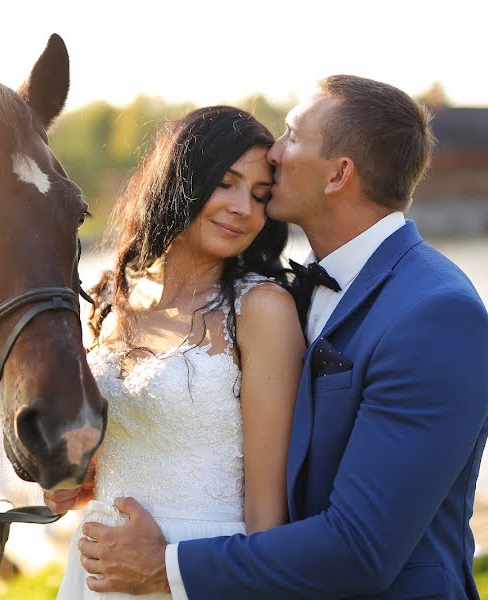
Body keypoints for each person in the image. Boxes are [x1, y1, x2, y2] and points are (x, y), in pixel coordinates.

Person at [57, 75, 488, 599]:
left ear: (339, 174)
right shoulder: (297, 285)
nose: (276, 151)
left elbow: (361, 548)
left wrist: (165, 568)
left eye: (291, 135)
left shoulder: (434, 313)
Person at [52, 106, 306, 599]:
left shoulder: (262, 311)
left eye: (259, 196)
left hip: (199, 575)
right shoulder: (113, 297)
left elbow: (268, 523)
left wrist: (169, 571)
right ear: (181, 179)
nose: (244, 209)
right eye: (226, 183)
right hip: (95, 573)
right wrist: (68, 481)